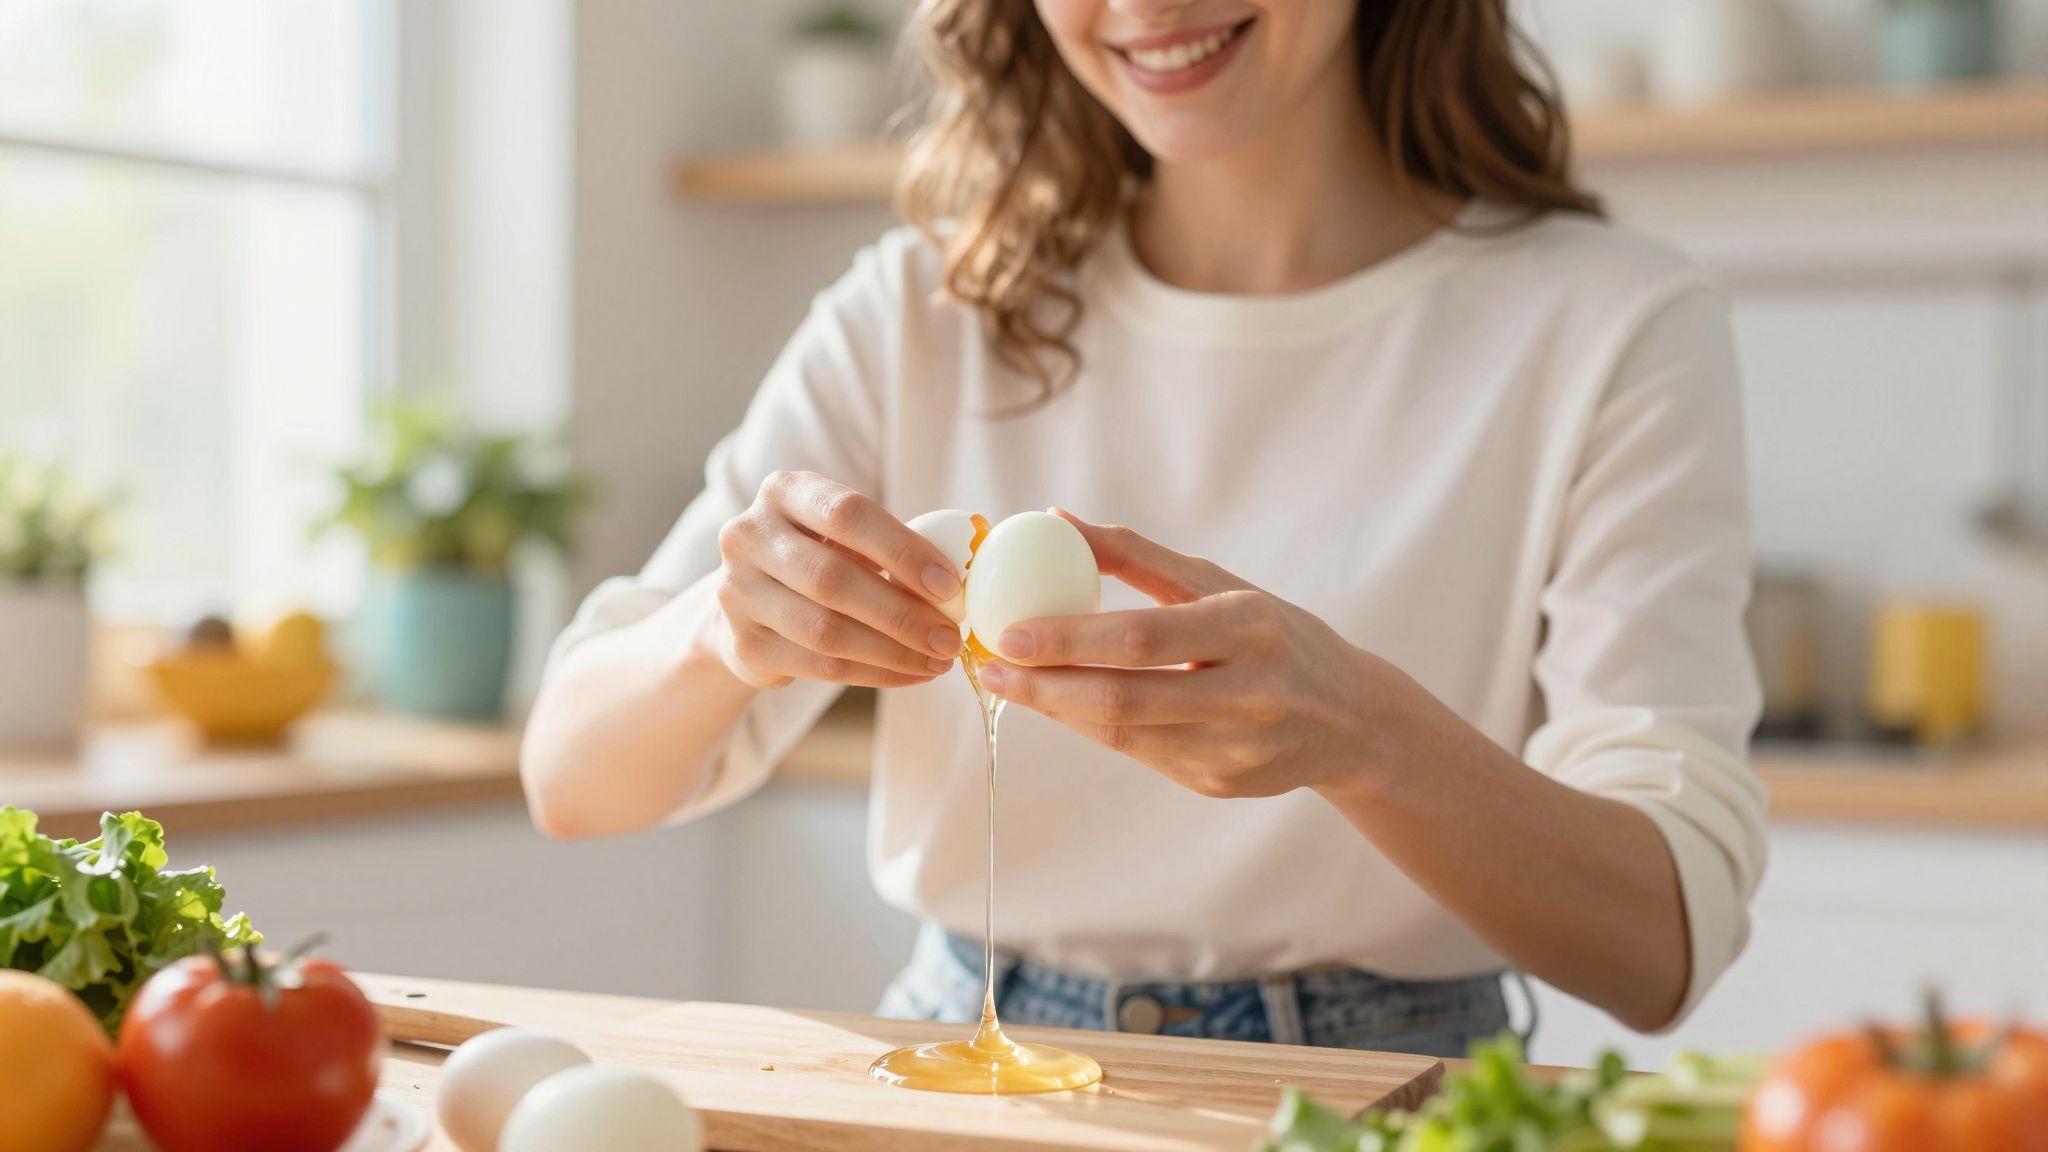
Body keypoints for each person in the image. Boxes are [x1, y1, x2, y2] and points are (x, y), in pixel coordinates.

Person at [521, 0, 1765, 1056]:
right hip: (960, 1051)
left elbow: (1658, 947)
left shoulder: (1609, 325)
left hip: (1377, 1085)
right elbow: (570, 778)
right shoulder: (922, 310)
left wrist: (1358, 732)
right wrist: (721, 632)